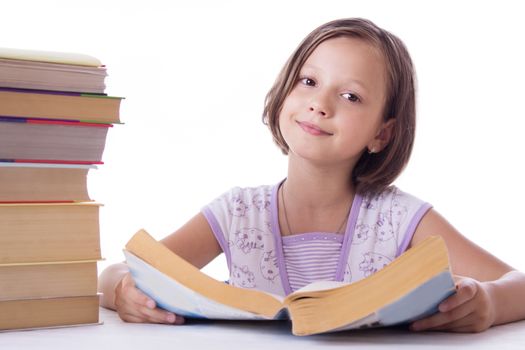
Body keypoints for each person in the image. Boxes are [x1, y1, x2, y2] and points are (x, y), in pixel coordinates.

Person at [98, 18, 525, 332]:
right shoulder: (236, 213)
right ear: (284, 91)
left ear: (382, 133)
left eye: (350, 95)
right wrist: (121, 291)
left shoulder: (400, 219)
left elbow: (518, 285)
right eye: (308, 81)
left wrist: (488, 301)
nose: (320, 104)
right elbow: (122, 271)